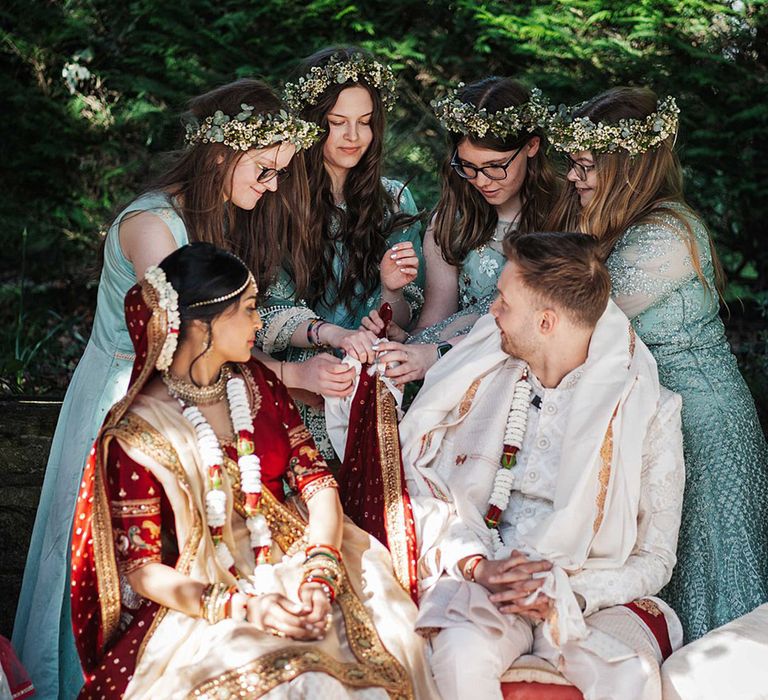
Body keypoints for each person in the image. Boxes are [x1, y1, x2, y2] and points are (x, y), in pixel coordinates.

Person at [13, 79, 319, 699]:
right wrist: (288, 376)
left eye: (280, 172)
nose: (272, 186)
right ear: (218, 156)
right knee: (103, 548)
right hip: (128, 395)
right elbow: (188, 335)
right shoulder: (152, 225)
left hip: (192, 395)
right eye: (264, 170)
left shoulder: (223, 216)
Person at [71, 242, 436, 699]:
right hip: (208, 590)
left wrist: (321, 572)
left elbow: (317, 483)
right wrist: (242, 606)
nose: (260, 323)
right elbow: (143, 570)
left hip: (301, 555)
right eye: (248, 310)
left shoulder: (253, 382)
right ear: (204, 325)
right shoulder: (137, 433)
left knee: (390, 645)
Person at [396, 232, 686, 700]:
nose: (492, 311)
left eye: (504, 302)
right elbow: (428, 491)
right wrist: (476, 566)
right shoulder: (481, 381)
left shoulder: (651, 410)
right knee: (458, 658)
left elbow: (656, 557)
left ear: (546, 322)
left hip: (591, 589)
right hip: (490, 572)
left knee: (625, 676)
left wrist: (567, 594)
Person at [545, 86, 768, 641]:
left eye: (585, 166)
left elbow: (583, 317)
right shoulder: (618, 226)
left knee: (713, 582)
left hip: (703, 426)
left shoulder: (668, 231)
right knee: (662, 573)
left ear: (626, 168)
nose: (574, 177)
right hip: (654, 423)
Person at [255, 47, 425, 459]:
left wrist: (391, 293)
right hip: (293, 390)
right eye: (337, 123)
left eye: (365, 123)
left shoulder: (395, 199)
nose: (353, 137)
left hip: (370, 394)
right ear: (312, 125)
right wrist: (327, 337)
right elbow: (258, 309)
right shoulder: (275, 197)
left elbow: (408, 317)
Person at [364, 77, 559, 387]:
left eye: (496, 166)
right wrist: (412, 340)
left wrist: (434, 351)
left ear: (532, 146)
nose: (481, 180)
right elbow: (438, 318)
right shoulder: (451, 223)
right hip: (463, 378)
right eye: (468, 166)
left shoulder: (566, 216)